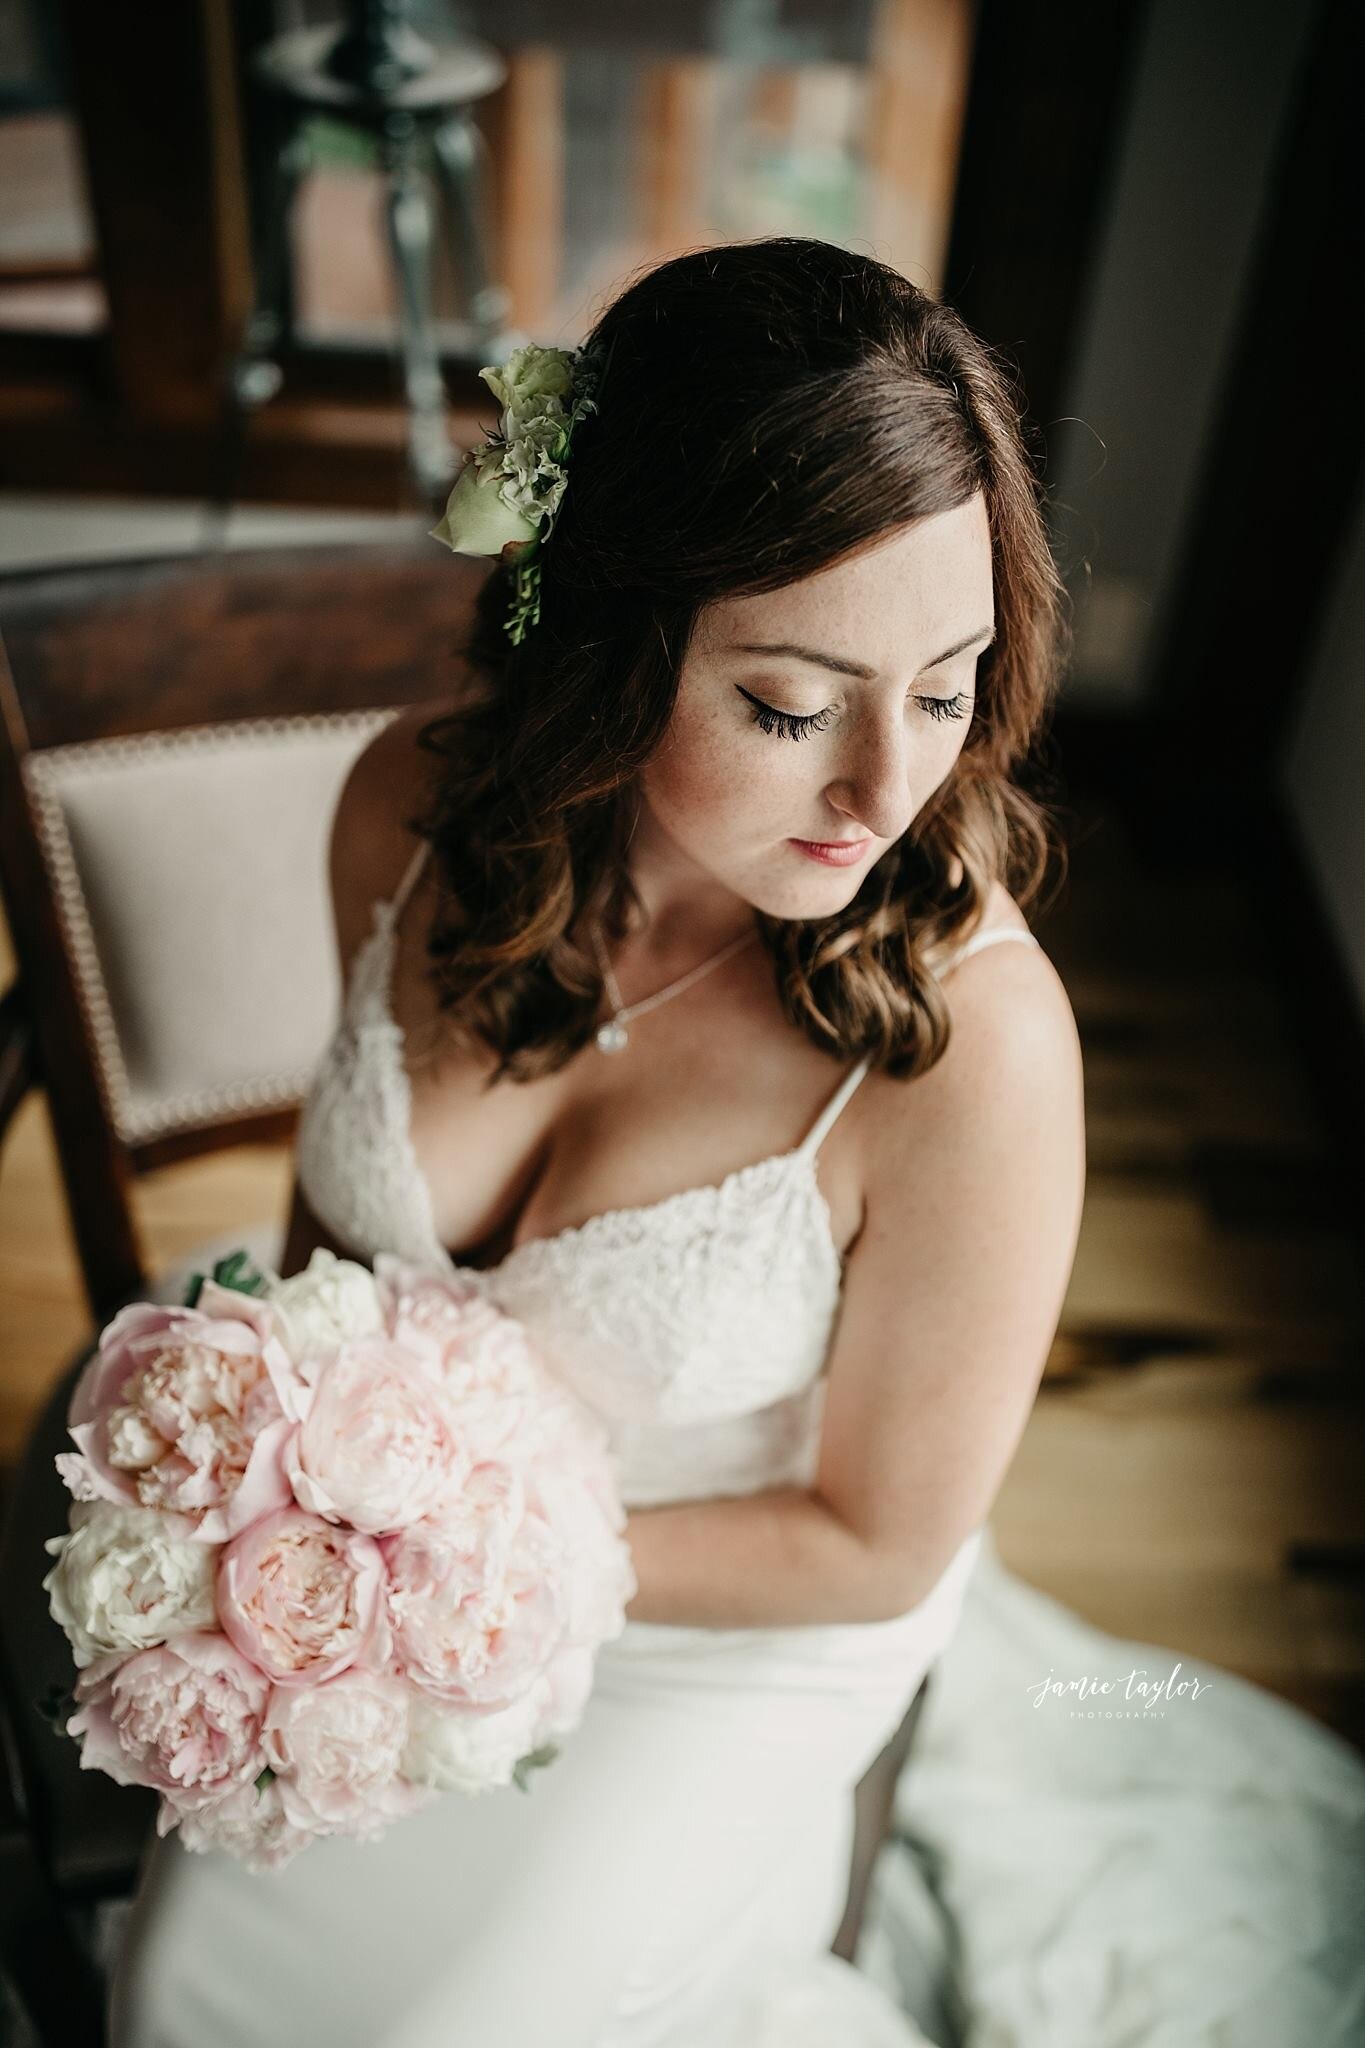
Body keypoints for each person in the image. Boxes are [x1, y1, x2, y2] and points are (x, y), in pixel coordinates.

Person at [107, 236, 1086, 2045]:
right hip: (358, 1584)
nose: (888, 789)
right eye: (791, 706)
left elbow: (874, 1542)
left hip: (722, 1637)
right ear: (611, 641)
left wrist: (441, 1562)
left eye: (944, 685)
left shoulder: (977, 1052)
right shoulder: (403, 810)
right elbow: (340, 1242)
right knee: (184, 1983)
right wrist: (276, 1473)